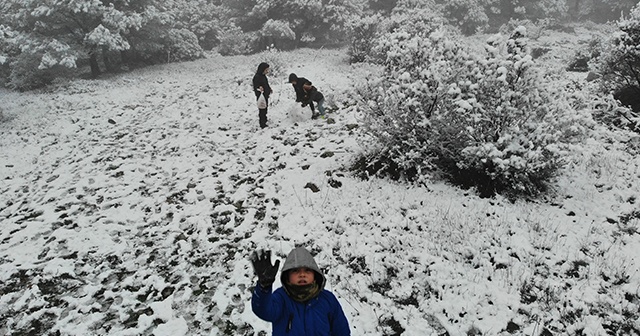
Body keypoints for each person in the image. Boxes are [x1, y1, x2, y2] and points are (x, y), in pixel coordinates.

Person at [250, 247, 351, 336]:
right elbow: (264, 311)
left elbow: (341, 331)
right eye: (295, 271)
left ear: (315, 274)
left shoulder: (328, 299)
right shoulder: (281, 298)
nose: (302, 275)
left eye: (307, 270)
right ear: (287, 276)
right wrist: (264, 287)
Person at [253, 63, 273, 129]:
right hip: (261, 96)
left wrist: (269, 89)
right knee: (262, 109)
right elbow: (256, 86)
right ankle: (262, 123)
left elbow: (266, 84)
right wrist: (259, 88)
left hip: (265, 95)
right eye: (266, 70)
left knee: (265, 107)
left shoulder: (263, 76)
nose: (267, 71)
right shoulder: (257, 77)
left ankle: (265, 119)